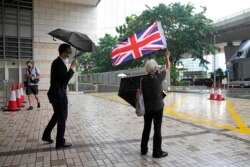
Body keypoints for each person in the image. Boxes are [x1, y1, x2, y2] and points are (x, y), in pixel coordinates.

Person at [42, 43, 77, 149]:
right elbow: (64, 80)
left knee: (57, 116)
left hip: (56, 94)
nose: (70, 54)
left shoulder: (59, 62)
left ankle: (46, 135)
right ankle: (60, 142)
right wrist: (72, 68)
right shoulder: (58, 63)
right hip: (59, 95)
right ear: (63, 52)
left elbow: (62, 79)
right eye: (68, 52)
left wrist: (70, 67)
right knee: (62, 117)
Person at [140, 51, 171, 158]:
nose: (158, 69)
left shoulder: (143, 80)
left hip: (147, 109)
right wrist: (167, 57)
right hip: (158, 108)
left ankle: (143, 149)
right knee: (157, 129)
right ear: (153, 70)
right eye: (156, 68)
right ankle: (157, 152)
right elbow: (168, 67)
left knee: (146, 128)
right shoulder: (159, 77)